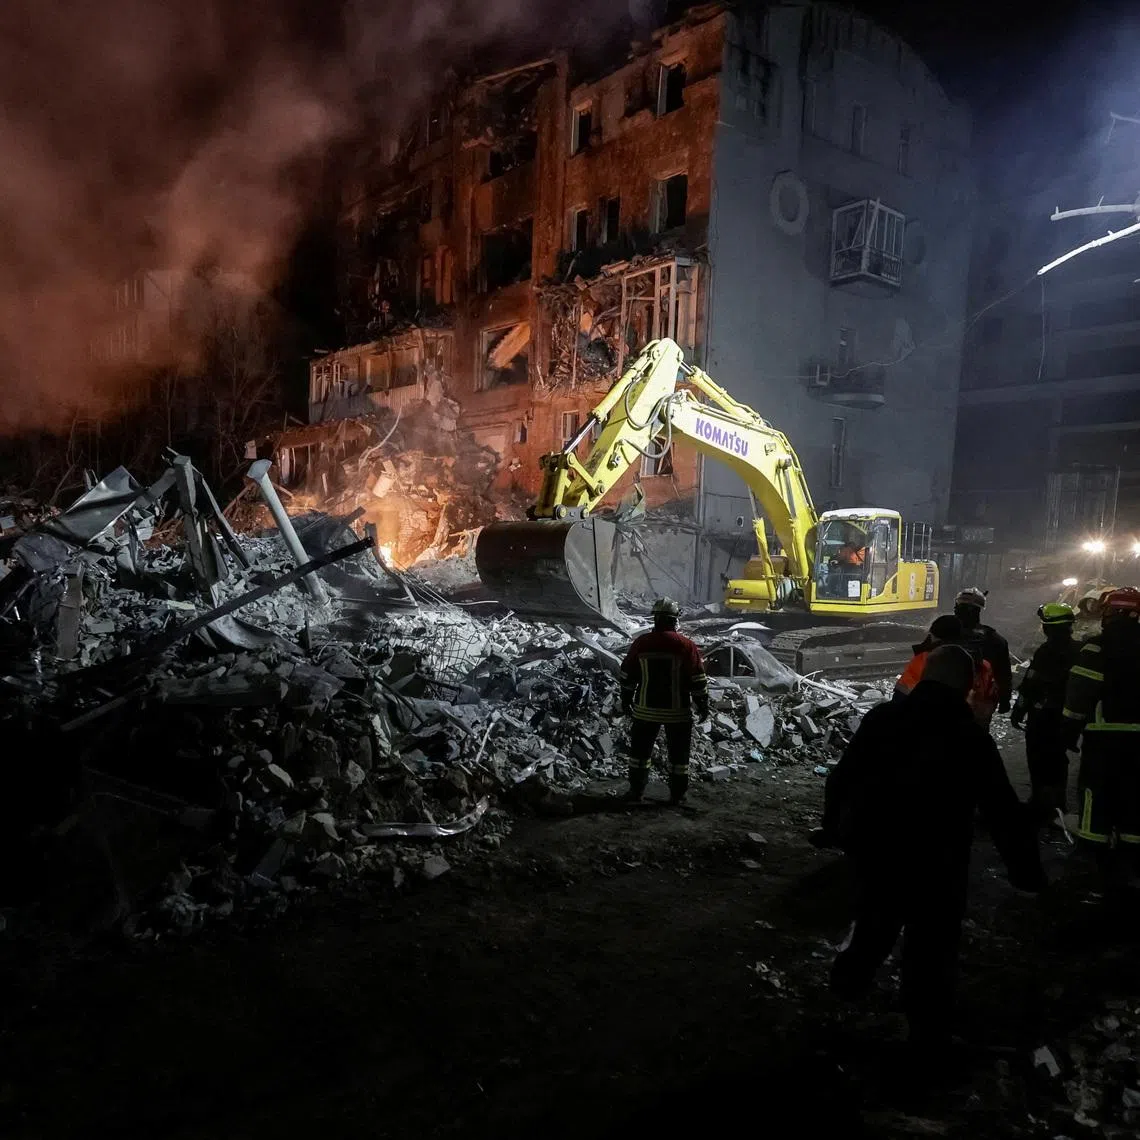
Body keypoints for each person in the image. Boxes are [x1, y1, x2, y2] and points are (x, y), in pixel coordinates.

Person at [814, 645, 1044, 1053]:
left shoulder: (883, 718)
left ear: (924, 676)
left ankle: (841, 995)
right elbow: (1002, 809)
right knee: (932, 947)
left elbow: (842, 777)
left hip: (879, 850)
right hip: (940, 862)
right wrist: (1025, 870)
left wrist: (834, 828)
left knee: (874, 924)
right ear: (967, 685)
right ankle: (925, 1034)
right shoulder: (970, 737)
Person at [1062, 586, 1140, 893]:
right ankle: (1132, 858)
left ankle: (1092, 858)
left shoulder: (1096, 648)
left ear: (1109, 612)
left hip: (1105, 737)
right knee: (1135, 793)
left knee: (1097, 793)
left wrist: (1066, 733)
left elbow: (1078, 695)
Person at [619, 597, 710, 805]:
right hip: (677, 713)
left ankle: (636, 792)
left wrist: (625, 700)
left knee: (640, 755)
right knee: (679, 758)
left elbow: (627, 675)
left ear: (656, 619)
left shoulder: (641, 643)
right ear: (674, 620)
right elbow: (697, 678)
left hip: (644, 710)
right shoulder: (686, 646)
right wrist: (702, 704)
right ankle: (677, 795)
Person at [1011, 602, 1081, 824]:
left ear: (1048, 627)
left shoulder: (1045, 652)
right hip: (1065, 716)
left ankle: (1042, 804)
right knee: (1058, 759)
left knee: (1039, 758)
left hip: (1042, 716)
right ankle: (1057, 804)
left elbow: (1030, 684)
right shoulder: (1080, 650)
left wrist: (1019, 709)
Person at [894, 614, 998, 729]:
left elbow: (901, 700)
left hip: (927, 731)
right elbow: (988, 705)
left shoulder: (923, 661)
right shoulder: (984, 665)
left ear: (934, 636)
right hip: (969, 734)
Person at [953, 587, 1013, 715]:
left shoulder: (945, 634)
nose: (956, 609)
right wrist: (1005, 700)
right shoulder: (995, 640)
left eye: (959, 606)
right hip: (979, 703)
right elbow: (1003, 674)